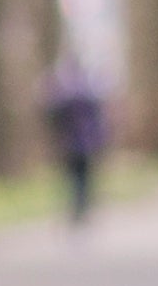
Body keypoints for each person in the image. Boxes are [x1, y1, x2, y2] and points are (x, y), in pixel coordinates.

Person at [45, 57, 110, 232]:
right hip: (85, 143)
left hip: (70, 143)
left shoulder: (63, 96)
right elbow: (98, 120)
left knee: (75, 177)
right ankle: (81, 208)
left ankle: (77, 208)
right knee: (83, 177)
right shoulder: (89, 94)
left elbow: (52, 117)